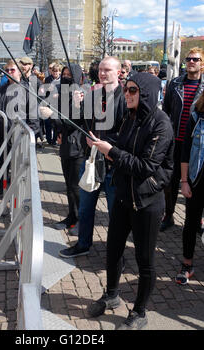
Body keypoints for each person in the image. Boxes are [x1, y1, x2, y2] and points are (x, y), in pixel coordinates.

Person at [86, 72, 174, 330]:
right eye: (126, 90)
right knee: (113, 250)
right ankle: (112, 295)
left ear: (145, 92)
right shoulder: (130, 116)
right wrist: (100, 141)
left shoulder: (161, 124)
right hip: (123, 195)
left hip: (147, 201)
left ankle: (140, 311)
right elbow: (121, 143)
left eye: (133, 90)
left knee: (145, 260)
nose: (127, 94)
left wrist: (110, 151)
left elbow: (146, 166)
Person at [59, 56, 126, 258]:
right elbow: (76, 122)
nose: (102, 73)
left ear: (119, 72)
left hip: (114, 164)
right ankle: (83, 244)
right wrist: (77, 105)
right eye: (101, 70)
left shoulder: (126, 96)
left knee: (116, 214)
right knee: (86, 208)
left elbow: (129, 131)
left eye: (108, 70)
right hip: (91, 161)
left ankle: (116, 254)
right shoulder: (93, 95)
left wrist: (108, 145)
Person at [161, 47, 204, 231]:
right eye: (188, 59)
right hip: (175, 142)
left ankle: (197, 219)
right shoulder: (175, 84)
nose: (191, 62)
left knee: (197, 182)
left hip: (198, 145)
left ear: (202, 63)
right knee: (170, 181)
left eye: (195, 59)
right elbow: (166, 112)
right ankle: (169, 215)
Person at [40, 64, 85, 235]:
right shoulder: (63, 94)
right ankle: (72, 216)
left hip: (78, 147)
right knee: (69, 185)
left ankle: (82, 220)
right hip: (66, 144)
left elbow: (74, 120)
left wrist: (53, 115)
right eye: (64, 74)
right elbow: (60, 120)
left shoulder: (82, 94)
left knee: (77, 187)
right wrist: (56, 127)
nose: (65, 77)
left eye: (69, 75)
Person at [0, 60, 40, 197]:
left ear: (19, 71)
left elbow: (34, 118)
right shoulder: (1, 90)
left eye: (12, 70)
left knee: (20, 167)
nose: (9, 73)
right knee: (1, 164)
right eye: (7, 70)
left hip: (19, 136)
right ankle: (1, 190)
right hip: (2, 136)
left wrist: (28, 135)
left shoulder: (27, 90)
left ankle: (19, 194)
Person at [175, 90, 204, 285]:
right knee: (191, 223)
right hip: (196, 181)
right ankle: (187, 264)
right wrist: (184, 181)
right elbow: (185, 153)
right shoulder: (196, 117)